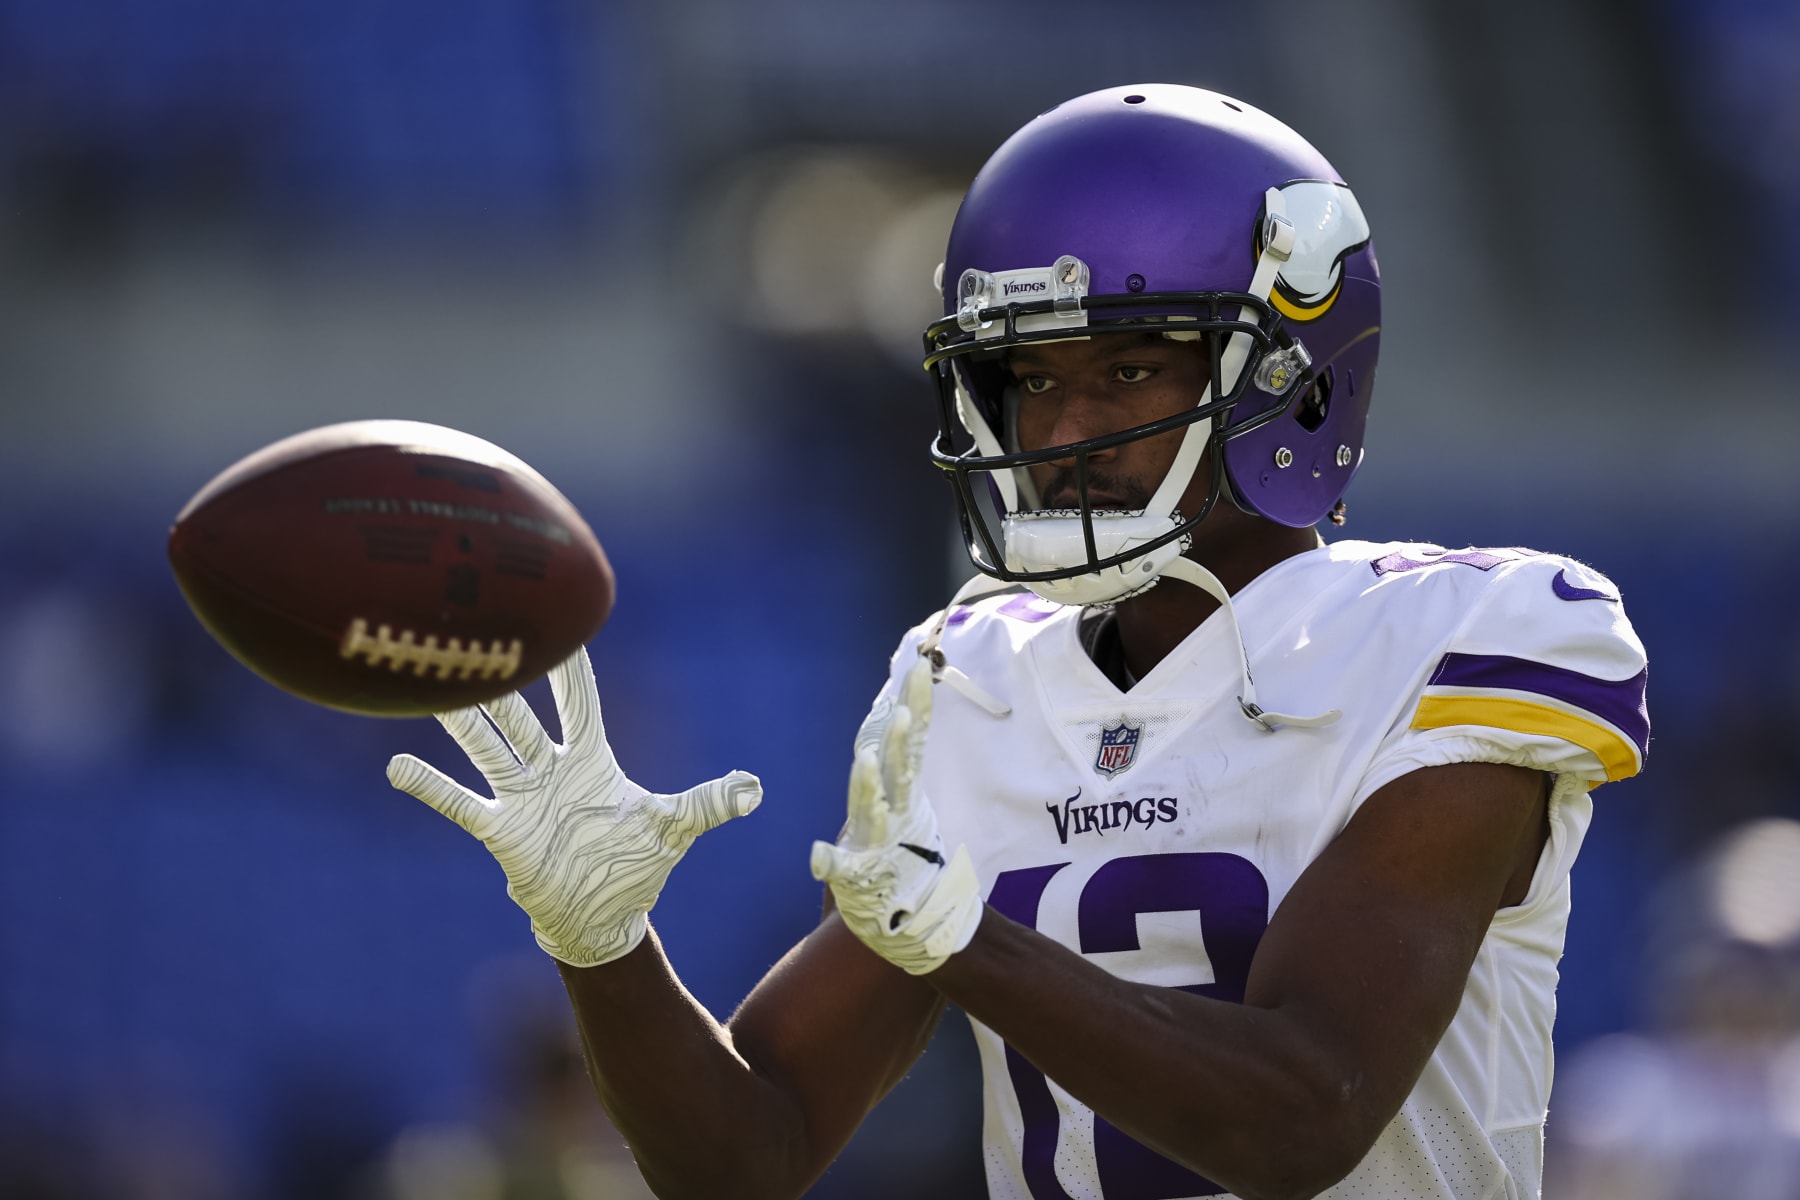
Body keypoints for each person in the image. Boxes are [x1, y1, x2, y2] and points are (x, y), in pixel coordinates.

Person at [385, 84, 1649, 1200]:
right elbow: (747, 1152)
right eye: (1031, 380)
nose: (1066, 429)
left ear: (1294, 372)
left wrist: (966, 938)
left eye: (1133, 370)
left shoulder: (1459, 641)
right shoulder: (978, 679)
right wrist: (605, 948)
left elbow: (1298, 1122)